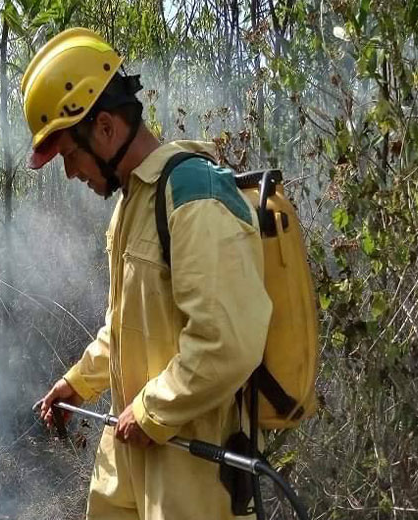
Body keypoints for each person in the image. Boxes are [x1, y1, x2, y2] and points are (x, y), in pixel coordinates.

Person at [26, 28, 273, 519]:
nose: (71, 173)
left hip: (192, 469)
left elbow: (227, 341)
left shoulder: (194, 193)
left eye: (69, 155)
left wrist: (150, 410)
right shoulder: (134, 203)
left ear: (105, 127)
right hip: (131, 452)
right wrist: (81, 382)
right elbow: (128, 325)